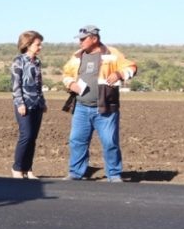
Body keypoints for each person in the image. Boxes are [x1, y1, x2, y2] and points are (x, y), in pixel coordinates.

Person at [61, 25, 138, 182]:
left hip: (105, 107)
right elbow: (66, 73)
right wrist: (70, 84)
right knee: (77, 141)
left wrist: (119, 73)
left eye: (83, 39)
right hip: (81, 107)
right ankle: (76, 172)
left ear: (94, 39)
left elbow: (132, 67)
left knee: (110, 142)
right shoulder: (77, 55)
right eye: (79, 39)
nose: (80, 42)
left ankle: (114, 174)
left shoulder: (112, 53)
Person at [11, 30, 47, 179]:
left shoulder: (37, 62)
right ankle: (17, 167)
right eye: (38, 44)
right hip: (24, 104)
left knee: (33, 138)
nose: (40, 47)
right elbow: (15, 85)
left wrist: (43, 102)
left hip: (37, 104)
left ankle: (28, 169)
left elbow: (39, 85)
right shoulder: (18, 61)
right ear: (28, 44)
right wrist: (20, 103)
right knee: (26, 135)